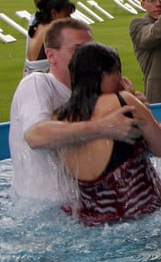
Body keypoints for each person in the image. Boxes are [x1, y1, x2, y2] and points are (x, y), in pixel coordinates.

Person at [10, 18, 141, 203]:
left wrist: (133, 109)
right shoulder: (37, 84)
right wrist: (103, 126)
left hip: (82, 206)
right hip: (45, 208)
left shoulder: (95, 93)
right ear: (51, 55)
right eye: (77, 50)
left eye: (90, 49)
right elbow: (35, 136)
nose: (87, 57)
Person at [56, 43, 161, 225]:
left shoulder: (61, 117)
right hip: (145, 216)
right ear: (105, 75)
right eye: (118, 72)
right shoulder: (123, 102)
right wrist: (140, 106)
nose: (121, 78)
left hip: (93, 222)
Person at [24, 0, 74, 76]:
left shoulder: (38, 26)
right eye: (66, 15)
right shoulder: (52, 30)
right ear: (54, 13)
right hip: (43, 81)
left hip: (30, 78)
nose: (70, 19)